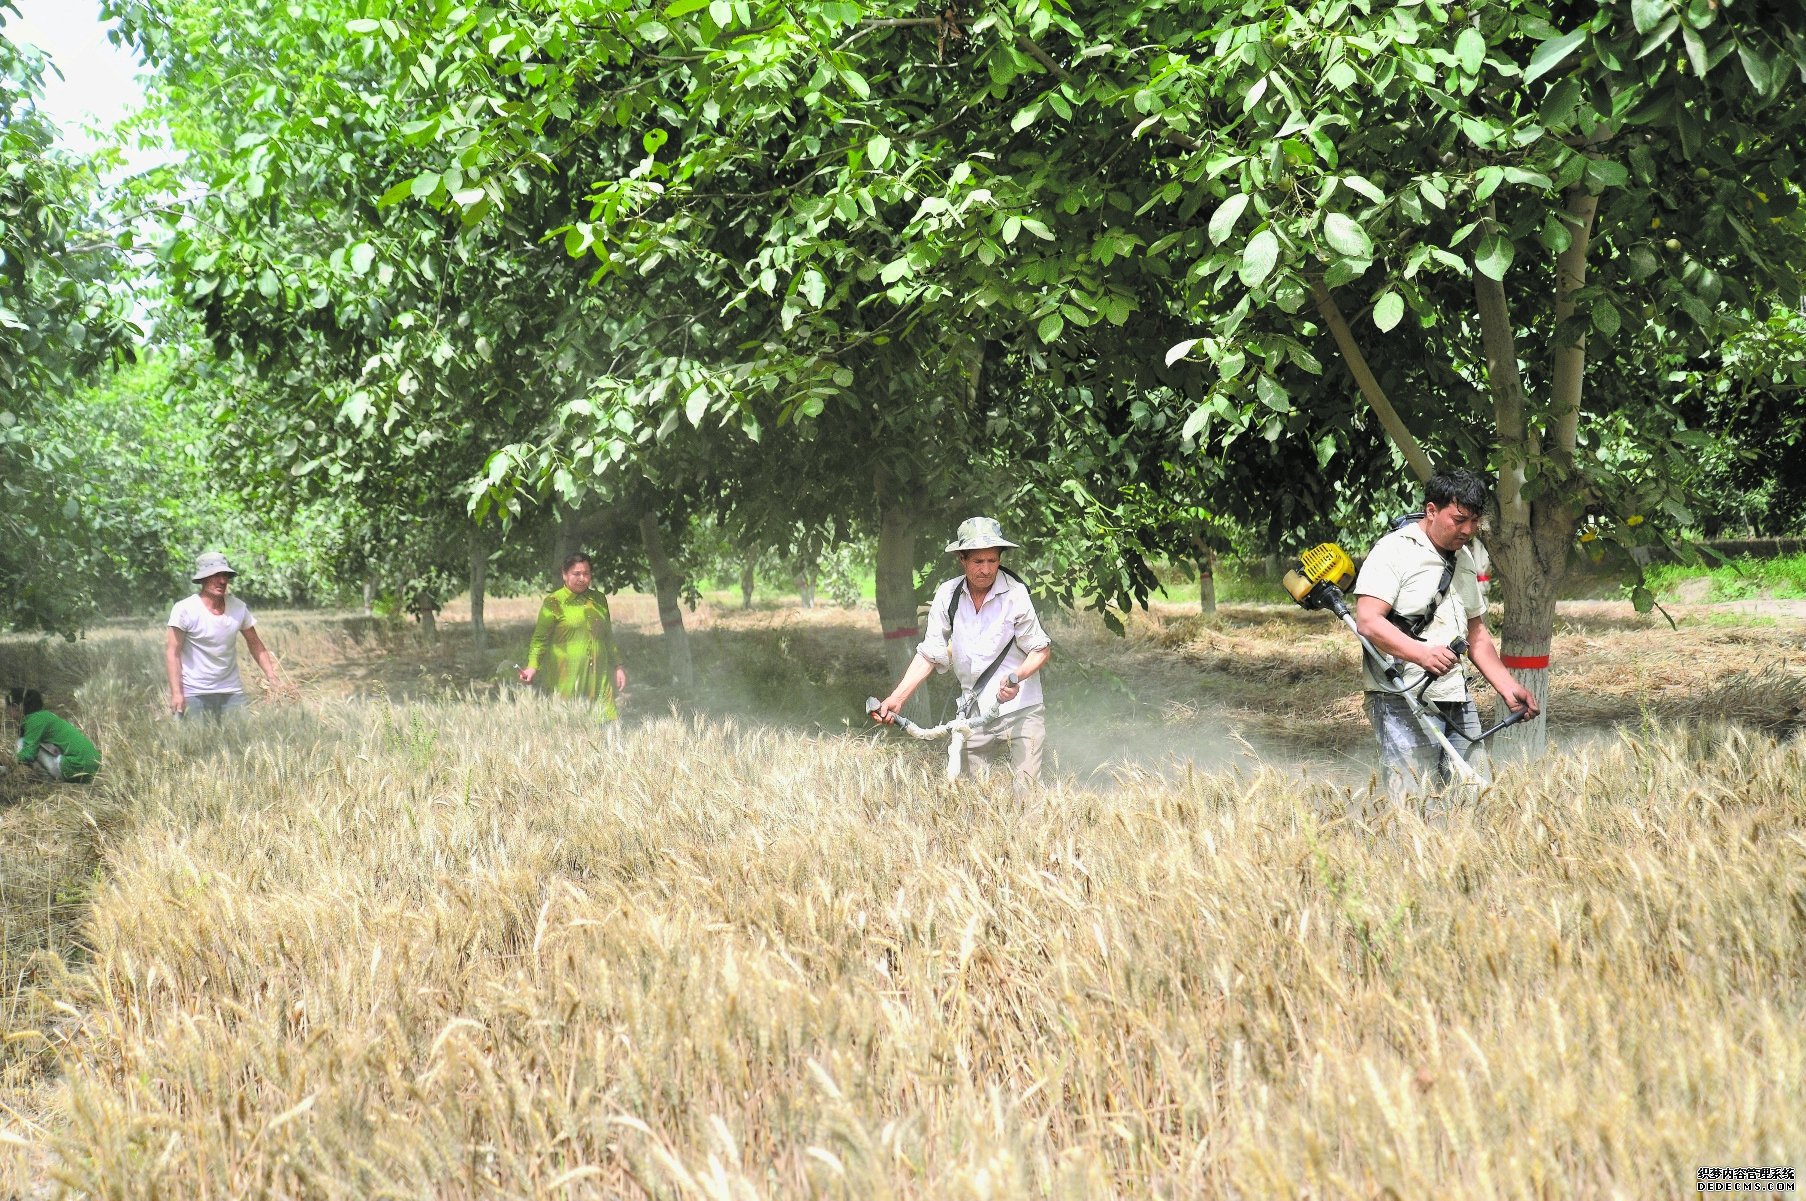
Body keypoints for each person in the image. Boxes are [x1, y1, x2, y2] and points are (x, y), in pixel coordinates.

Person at [1353, 469, 1537, 801]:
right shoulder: (1395, 550)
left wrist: (1509, 688)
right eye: (1459, 519)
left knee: (1471, 797)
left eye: (1474, 521)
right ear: (1431, 510)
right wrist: (1420, 653)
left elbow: (1476, 636)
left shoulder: (1463, 558)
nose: (1467, 530)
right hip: (1401, 697)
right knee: (1411, 802)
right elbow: (1368, 621)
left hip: (1455, 696)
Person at [873, 516, 1053, 783]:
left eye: (992, 561)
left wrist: (1017, 677)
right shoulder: (948, 595)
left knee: (1027, 794)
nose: (987, 569)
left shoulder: (1015, 594)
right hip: (975, 711)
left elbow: (1040, 649)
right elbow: (929, 654)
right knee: (973, 796)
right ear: (962, 559)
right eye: (978, 562)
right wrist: (898, 699)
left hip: (1021, 707)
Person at [166, 551, 287, 720]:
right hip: (195, 692)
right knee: (196, 745)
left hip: (231, 692)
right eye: (216, 575)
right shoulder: (185, 609)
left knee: (242, 742)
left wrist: (272, 677)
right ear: (203, 578)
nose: (222, 581)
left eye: (225, 575)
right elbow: (173, 653)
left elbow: (255, 643)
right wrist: (177, 693)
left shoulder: (238, 608)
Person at [520, 553, 628, 737]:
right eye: (576, 574)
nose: (582, 579)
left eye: (586, 574)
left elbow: (607, 635)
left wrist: (618, 665)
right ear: (564, 574)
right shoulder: (554, 602)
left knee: (607, 723)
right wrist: (532, 666)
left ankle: (609, 761)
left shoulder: (599, 599)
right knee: (567, 723)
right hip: (566, 676)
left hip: (598, 674)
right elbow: (540, 639)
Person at [8, 688, 100, 783]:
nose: (7, 713)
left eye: (8, 709)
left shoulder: (34, 720)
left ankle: (41, 778)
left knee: (21, 743)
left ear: (15, 707)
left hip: (75, 766)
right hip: (94, 766)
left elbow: (28, 754)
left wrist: (12, 765)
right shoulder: (45, 716)